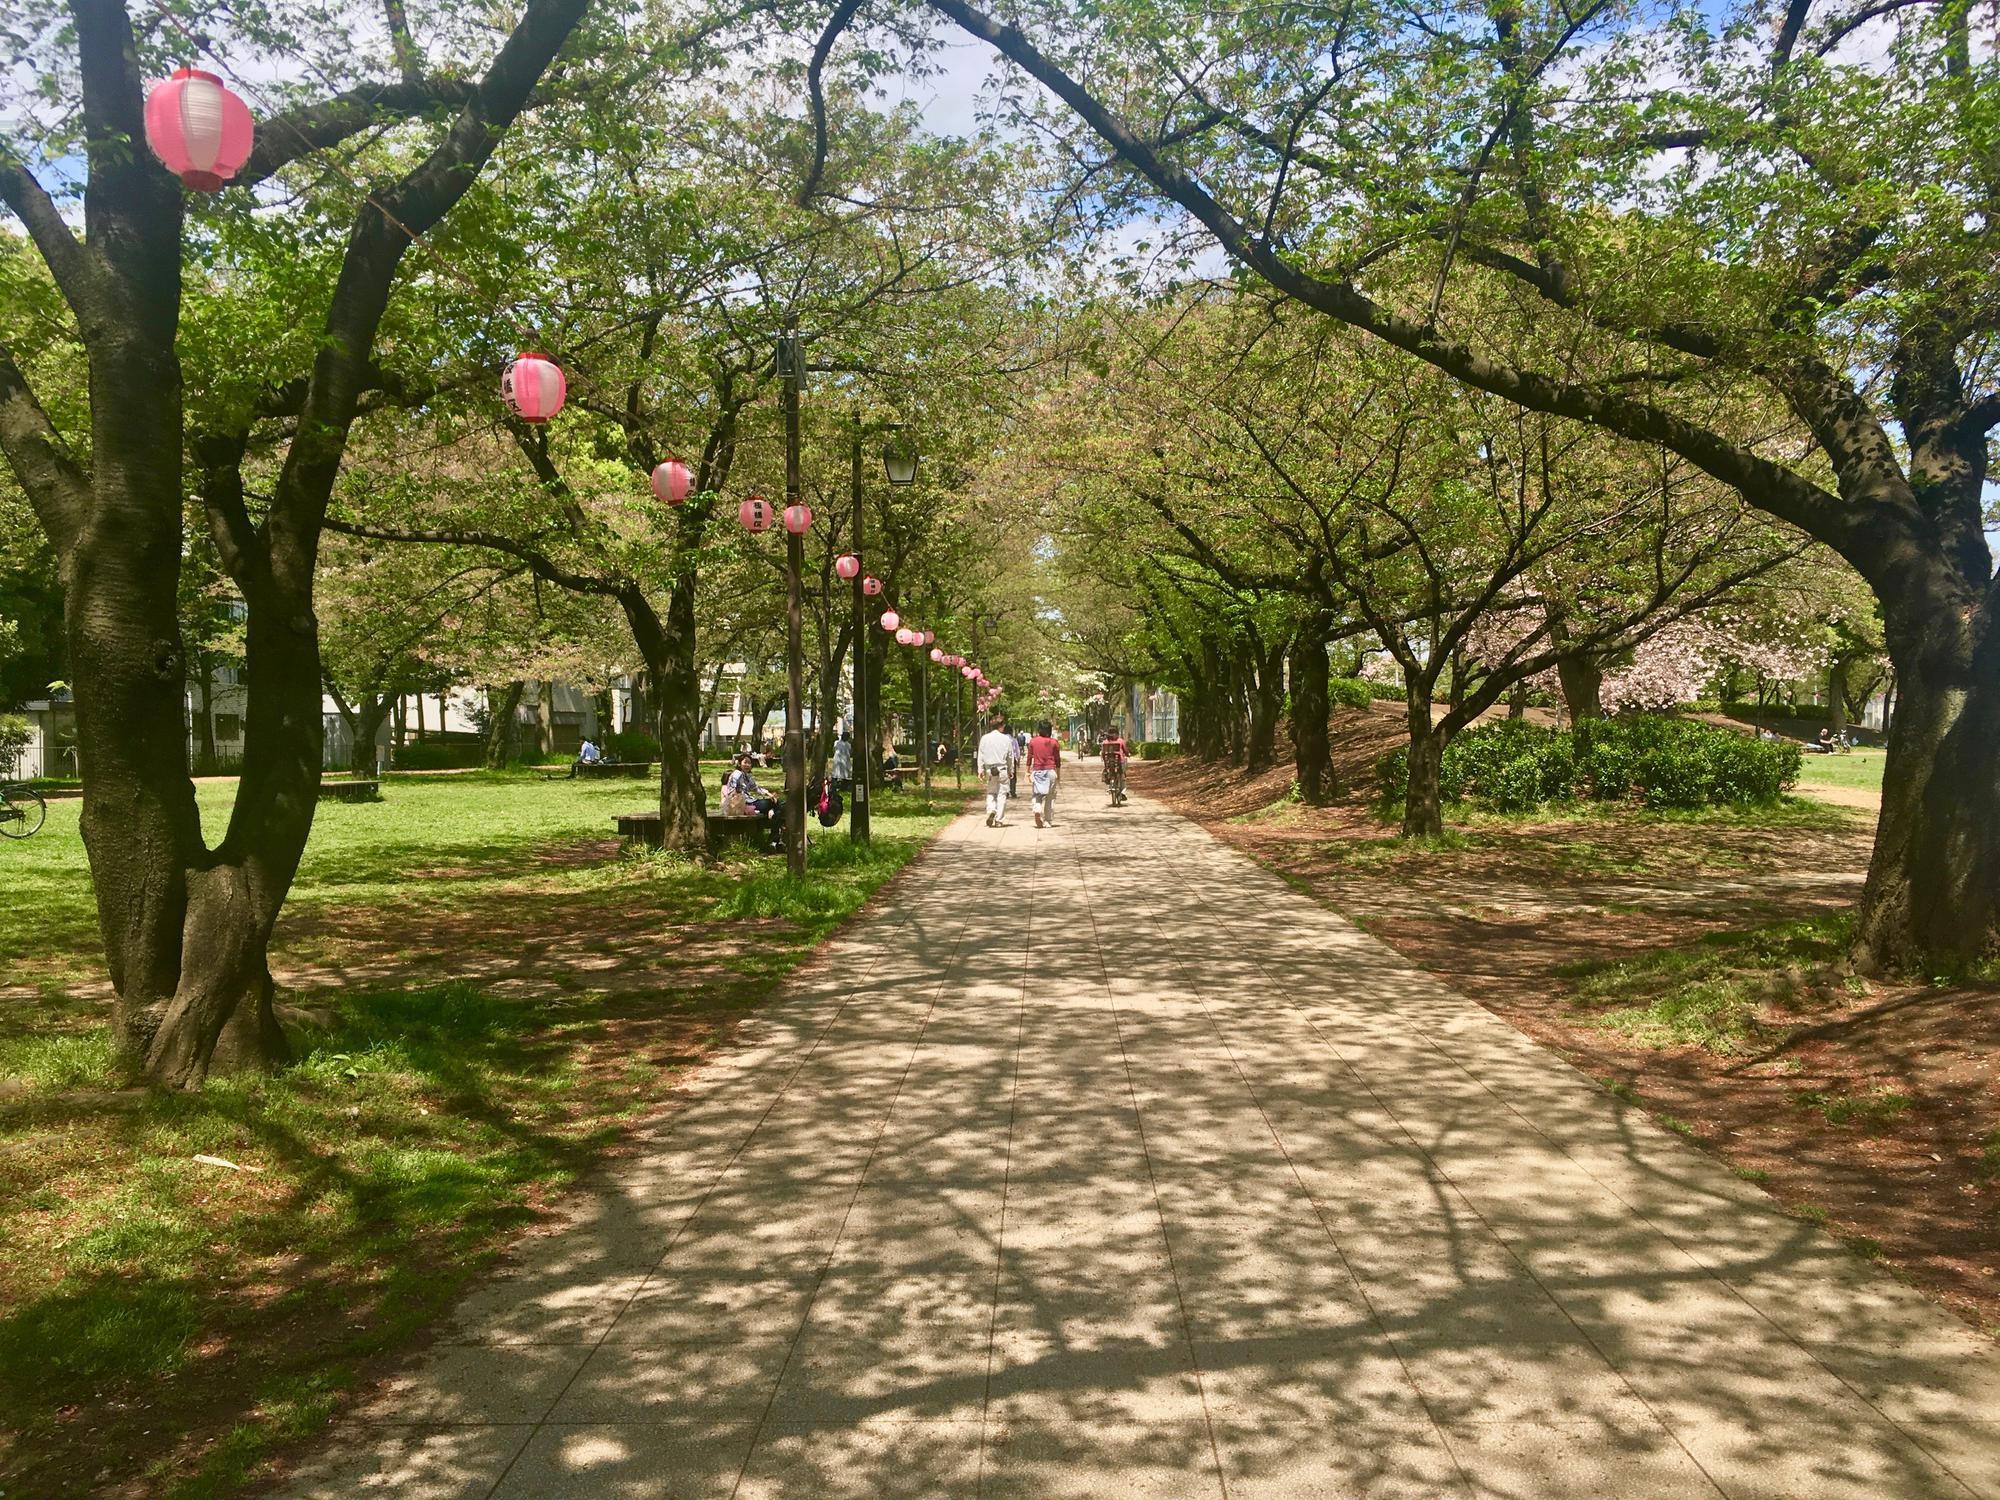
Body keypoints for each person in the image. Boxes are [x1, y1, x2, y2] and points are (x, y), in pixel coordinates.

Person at [721, 751, 782, 847]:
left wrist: (768, 794)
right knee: (773, 805)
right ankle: (774, 837)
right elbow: (731, 791)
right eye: (745, 762)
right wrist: (742, 805)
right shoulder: (737, 774)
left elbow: (756, 788)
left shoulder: (747, 775)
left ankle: (773, 836)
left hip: (751, 801)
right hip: (743, 804)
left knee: (776, 806)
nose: (747, 765)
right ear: (739, 763)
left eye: (749, 763)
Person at [976, 713, 1018, 827]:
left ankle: (991, 810)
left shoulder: (984, 738)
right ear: (1002, 726)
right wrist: (1011, 770)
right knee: (1002, 794)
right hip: (1003, 769)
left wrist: (980, 769)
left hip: (990, 769)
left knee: (991, 792)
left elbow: (981, 754)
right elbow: (1010, 756)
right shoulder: (1006, 739)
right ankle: (999, 819)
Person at [1027, 718, 1061, 828]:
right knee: (1050, 797)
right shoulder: (1054, 742)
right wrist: (1058, 774)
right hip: (1050, 771)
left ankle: (1037, 808)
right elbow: (1057, 760)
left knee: (1037, 794)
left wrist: (1027, 771)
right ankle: (1047, 821)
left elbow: (1029, 757)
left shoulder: (1033, 741)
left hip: (1037, 771)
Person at [1100, 725, 1129, 806]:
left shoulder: (1105, 742)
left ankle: (1110, 785)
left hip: (1109, 763)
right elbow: (1125, 751)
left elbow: (1102, 753)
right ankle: (1123, 792)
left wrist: (1105, 759)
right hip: (1119, 762)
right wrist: (1128, 754)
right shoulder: (1120, 741)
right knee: (1122, 775)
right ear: (1117, 733)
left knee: (1109, 772)